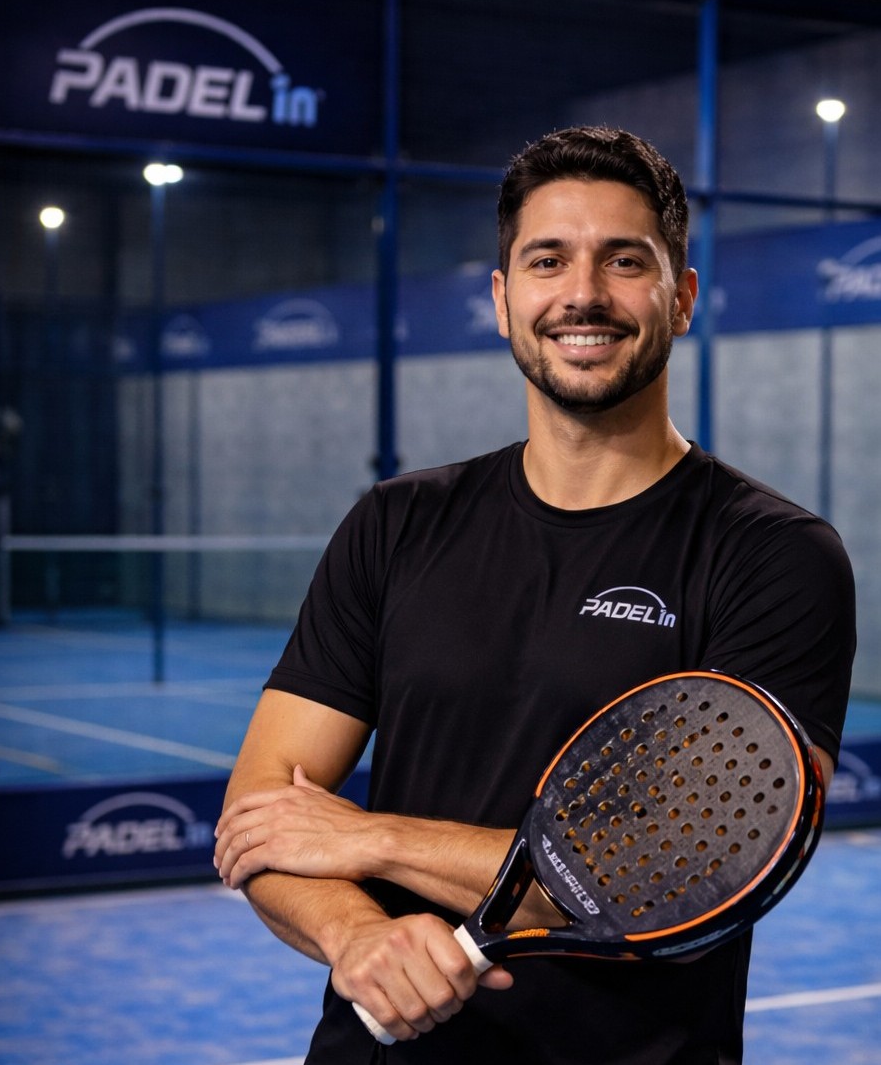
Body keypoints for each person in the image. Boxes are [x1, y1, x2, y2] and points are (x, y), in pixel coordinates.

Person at [214, 126, 856, 1064]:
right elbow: (263, 814)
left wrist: (377, 840)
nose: (582, 294)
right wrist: (357, 934)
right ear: (503, 298)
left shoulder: (773, 554)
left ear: (679, 299)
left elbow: (697, 870)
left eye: (623, 260)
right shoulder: (394, 523)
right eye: (547, 259)